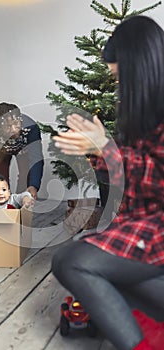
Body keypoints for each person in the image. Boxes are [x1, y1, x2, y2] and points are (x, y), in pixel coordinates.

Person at [51, 16, 164, 350]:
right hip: (148, 223)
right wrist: (97, 151)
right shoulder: (142, 109)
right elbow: (135, 173)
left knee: (72, 261)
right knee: (89, 258)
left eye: (121, 78)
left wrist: (105, 147)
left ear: (138, 68)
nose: (119, 88)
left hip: (158, 225)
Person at [0, 102, 44, 200]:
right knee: (0, 178)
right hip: (0, 148)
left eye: (16, 124)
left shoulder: (31, 127)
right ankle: (3, 205)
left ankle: (20, 205)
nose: (13, 129)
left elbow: (36, 158)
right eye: (8, 126)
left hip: (23, 149)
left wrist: (33, 185)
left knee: (26, 177)